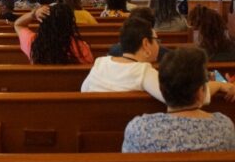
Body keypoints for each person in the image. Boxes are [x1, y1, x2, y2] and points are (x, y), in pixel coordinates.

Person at [81, 17, 232, 104]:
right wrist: (218, 85)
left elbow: (83, 91)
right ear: (146, 44)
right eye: (156, 40)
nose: (158, 44)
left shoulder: (101, 62)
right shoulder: (143, 71)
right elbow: (185, 99)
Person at [122, 47, 235, 153]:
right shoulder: (224, 127)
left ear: (161, 89)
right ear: (201, 91)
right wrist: (220, 85)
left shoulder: (138, 129)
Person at [14, 3, 94, 64]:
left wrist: (34, 14)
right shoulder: (81, 49)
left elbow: (18, 24)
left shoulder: (33, 43)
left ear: (44, 23)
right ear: (70, 24)